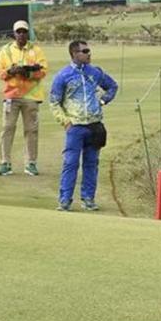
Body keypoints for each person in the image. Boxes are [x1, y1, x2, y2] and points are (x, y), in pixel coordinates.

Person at [50, 40, 118, 212]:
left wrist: (103, 100)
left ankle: (88, 198)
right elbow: (54, 102)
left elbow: (112, 86)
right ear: (74, 54)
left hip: (94, 125)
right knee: (70, 163)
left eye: (88, 50)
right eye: (85, 51)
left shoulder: (94, 72)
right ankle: (65, 200)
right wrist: (65, 122)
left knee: (91, 163)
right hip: (75, 126)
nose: (89, 54)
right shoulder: (63, 76)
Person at [0, 20, 49, 176]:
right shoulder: (5, 50)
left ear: (28, 33)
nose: (21, 34)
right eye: (18, 32)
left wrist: (29, 73)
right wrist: (11, 71)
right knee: (7, 128)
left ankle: (30, 163)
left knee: (31, 130)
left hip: (31, 96)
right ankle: (5, 162)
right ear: (14, 33)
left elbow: (43, 71)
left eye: (24, 31)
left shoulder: (36, 50)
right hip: (11, 95)